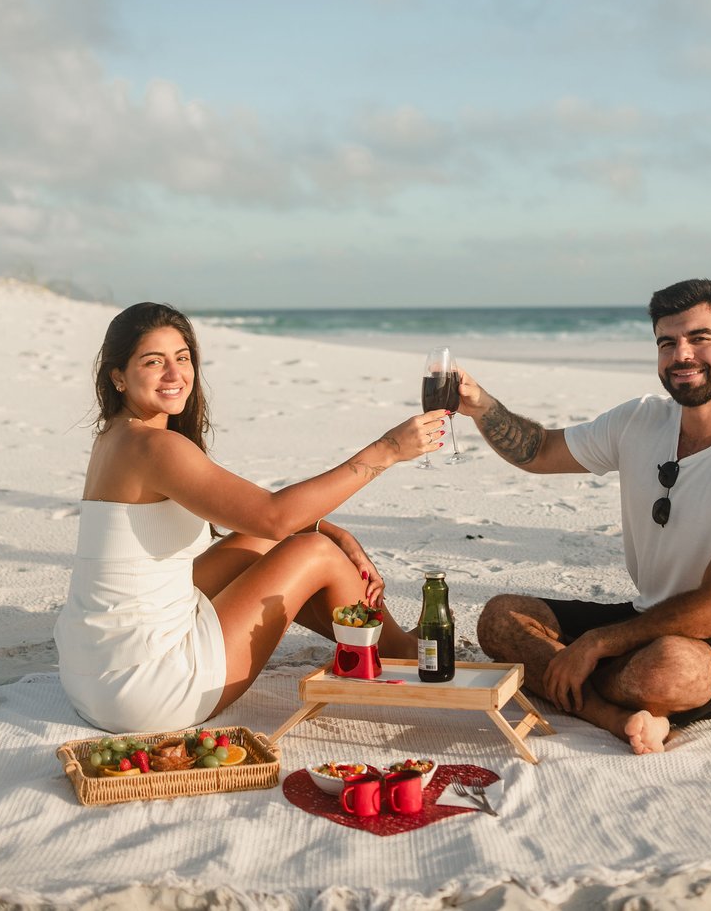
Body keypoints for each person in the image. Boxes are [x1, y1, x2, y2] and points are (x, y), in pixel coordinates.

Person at [54, 302, 447, 733]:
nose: (174, 374)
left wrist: (334, 530)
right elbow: (273, 516)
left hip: (92, 672)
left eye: (182, 358)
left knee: (279, 543)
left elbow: (253, 521)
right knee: (313, 552)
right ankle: (405, 652)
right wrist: (387, 450)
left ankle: (377, 641)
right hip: (147, 690)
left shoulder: (118, 435)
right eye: (153, 361)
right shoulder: (154, 448)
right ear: (118, 375)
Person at [460, 278, 711, 755]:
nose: (682, 354)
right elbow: (539, 451)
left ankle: (578, 685)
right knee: (500, 617)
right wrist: (481, 406)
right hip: (649, 617)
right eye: (667, 342)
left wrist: (595, 644)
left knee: (667, 668)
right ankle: (611, 714)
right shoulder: (641, 420)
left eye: (700, 338)